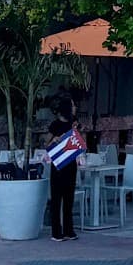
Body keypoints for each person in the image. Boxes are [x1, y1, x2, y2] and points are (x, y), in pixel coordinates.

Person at [45, 100, 84, 242]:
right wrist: (54, 140)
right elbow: (46, 143)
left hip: (71, 163)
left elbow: (80, 140)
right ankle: (56, 231)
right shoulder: (55, 124)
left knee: (69, 197)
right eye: (72, 105)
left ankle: (69, 230)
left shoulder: (73, 123)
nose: (75, 107)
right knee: (57, 198)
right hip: (58, 164)